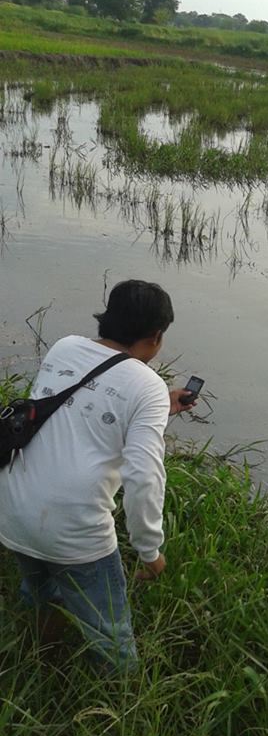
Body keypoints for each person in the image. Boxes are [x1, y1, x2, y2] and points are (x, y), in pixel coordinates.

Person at [0, 279, 197, 671]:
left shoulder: (65, 347)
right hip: (75, 531)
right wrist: (149, 550)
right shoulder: (148, 387)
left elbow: (81, 406)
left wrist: (158, 408)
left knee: (43, 590)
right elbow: (143, 478)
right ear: (155, 338)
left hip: (13, 511)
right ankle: (122, 706)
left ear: (106, 319)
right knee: (111, 634)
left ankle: (43, 657)